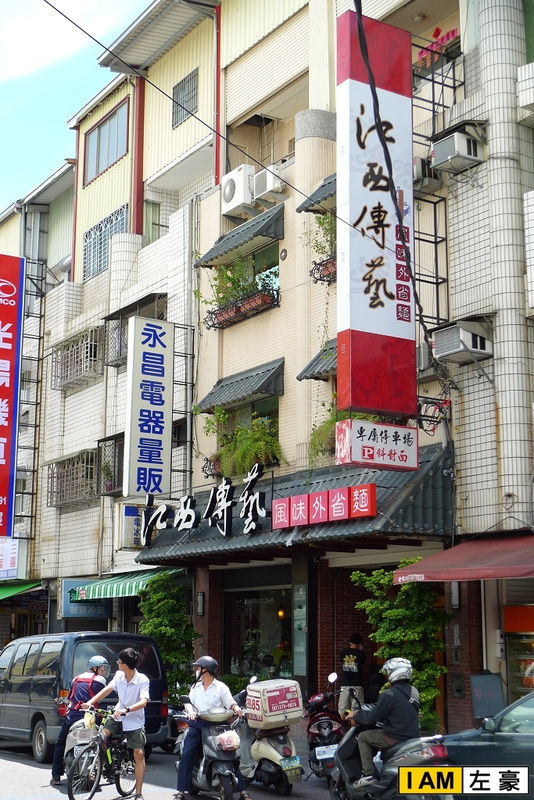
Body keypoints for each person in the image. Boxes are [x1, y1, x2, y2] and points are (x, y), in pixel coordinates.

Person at [173, 655, 252, 800]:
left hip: (219, 726)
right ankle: (181, 791)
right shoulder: (196, 687)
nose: (197, 670)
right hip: (198, 724)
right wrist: (190, 712)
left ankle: (242, 792)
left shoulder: (221, 687)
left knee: (232, 754)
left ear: (206, 670)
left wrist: (237, 710)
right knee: (187, 754)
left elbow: (231, 703)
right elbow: (188, 703)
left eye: (199, 668)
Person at [82, 647, 150, 800]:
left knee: (138, 754)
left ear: (125, 665)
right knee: (100, 737)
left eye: (119, 661)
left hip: (134, 719)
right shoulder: (119, 675)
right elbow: (107, 689)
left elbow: (144, 701)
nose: (117, 663)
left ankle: (138, 793)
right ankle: (100, 765)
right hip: (117, 714)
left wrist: (128, 709)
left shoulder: (142, 679)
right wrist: (91, 702)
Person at [346, 657, 420, 789]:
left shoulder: (389, 694)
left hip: (395, 736)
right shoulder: (414, 691)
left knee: (363, 737)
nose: (386, 676)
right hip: (412, 736)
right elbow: (400, 708)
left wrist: (356, 715)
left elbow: (371, 718)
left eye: (388, 672)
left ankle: (368, 774)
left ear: (394, 673)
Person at [50, 655, 110, 786]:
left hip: (73, 718)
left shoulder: (75, 679)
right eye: (102, 668)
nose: (104, 671)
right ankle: (109, 772)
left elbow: (71, 699)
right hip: (91, 718)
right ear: (95, 668)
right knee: (103, 740)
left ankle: (56, 775)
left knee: (60, 743)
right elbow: (101, 698)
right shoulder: (100, 680)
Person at [338, 633, 366, 719]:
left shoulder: (343, 652)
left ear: (350, 642)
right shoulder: (361, 654)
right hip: (357, 684)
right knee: (356, 709)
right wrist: (361, 650)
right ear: (360, 643)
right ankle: (353, 725)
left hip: (345, 684)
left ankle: (344, 721)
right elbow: (363, 663)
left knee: (343, 708)